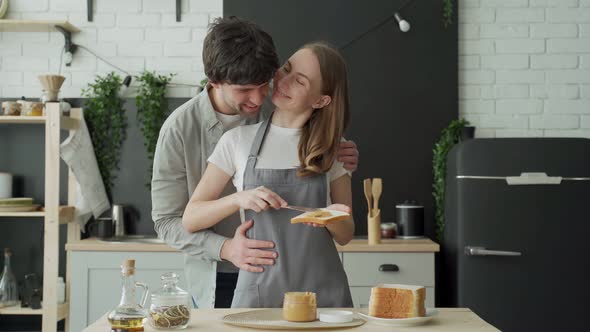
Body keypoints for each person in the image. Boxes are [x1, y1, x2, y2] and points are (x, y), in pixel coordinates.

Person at [151, 17, 359, 309]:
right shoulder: (186, 130)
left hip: (315, 285)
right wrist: (227, 247)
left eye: (265, 83)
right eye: (246, 90)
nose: (260, 97)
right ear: (215, 82)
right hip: (224, 273)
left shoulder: (294, 117)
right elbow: (169, 220)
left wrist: (339, 168)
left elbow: (344, 230)